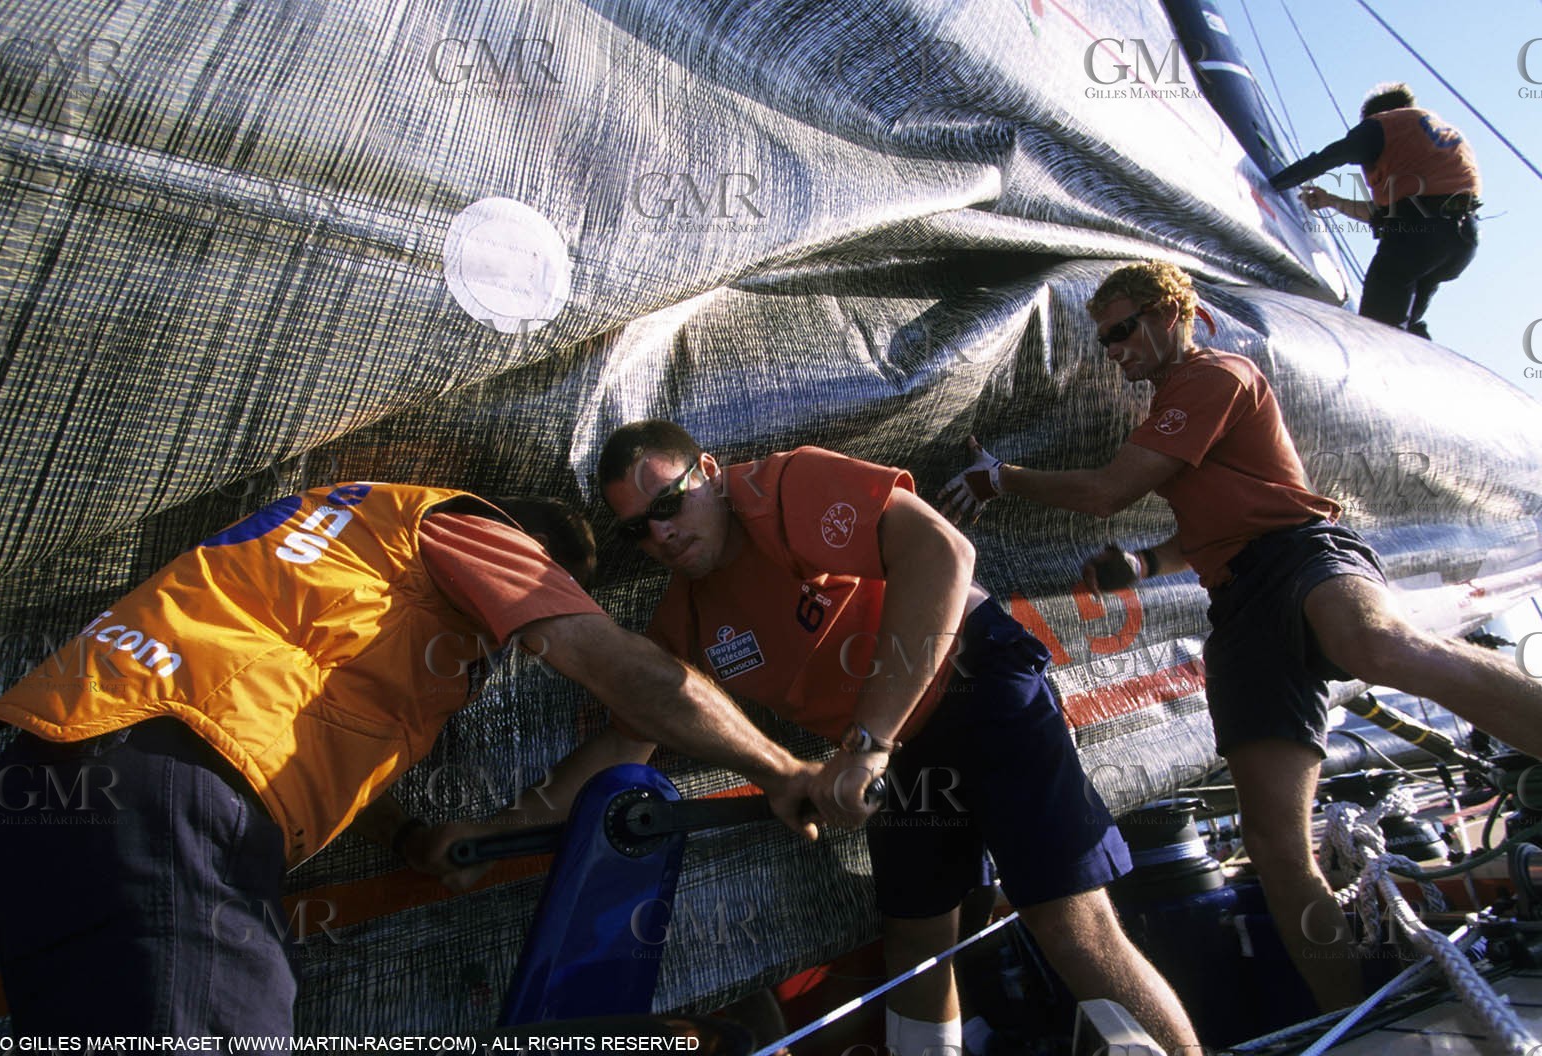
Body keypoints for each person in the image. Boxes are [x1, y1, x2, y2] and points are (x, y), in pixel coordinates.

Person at [0, 482, 820, 1036]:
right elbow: (615, 664)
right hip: (172, 794)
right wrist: (783, 770)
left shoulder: (348, 542)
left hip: (47, 784)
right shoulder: (466, 529)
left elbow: (306, 716)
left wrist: (412, 835)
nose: (510, 654)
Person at [937, 260, 1542, 1010]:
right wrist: (1146, 560)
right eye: (1103, 340)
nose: (1115, 350)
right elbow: (1216, 522)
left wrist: (1001, 478)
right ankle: (1346, 1013)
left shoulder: (1214, 375)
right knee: (1275, 845)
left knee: (1377, 647)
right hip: (1240, 604)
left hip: (1303, 554)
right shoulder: (1169, 410)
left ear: (1169, 313)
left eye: (1123, 330)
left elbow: (1107, 491)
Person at [594, 420, 1201, 1056]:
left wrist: (867, 744)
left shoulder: (782, 486)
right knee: (915, 945)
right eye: (638, 528)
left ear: (710, 474)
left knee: (1067, 918)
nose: (659, 533)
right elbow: (633, 729)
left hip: (975, 681)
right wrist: (496, 833)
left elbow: (943, 551)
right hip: (893, 746)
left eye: (668, 503)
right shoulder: (685, 611)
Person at [1269, 81, 1480, 340]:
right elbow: (1389, 212)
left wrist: (1273, 183)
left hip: (1421, 237)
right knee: (1406, 329)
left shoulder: (1382, 125)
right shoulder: (1436, 135)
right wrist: (1331, 200)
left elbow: (1328, 158)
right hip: (1460, 241)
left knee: (1376, 328)